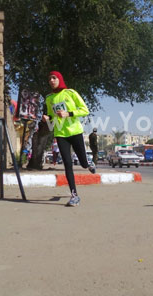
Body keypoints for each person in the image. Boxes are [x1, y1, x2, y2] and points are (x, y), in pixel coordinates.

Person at [42, 71, 95, 207]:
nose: (52, 80)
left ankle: (88, 163)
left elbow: (85, 110)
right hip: (60, 134)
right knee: (67, 164)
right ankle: (74, 196)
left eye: (54, 78)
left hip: (75, 132)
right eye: (50, 79)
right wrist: (47, 119)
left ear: (60, 79)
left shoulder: (70, 93)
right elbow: (52, 120)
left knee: (82, 163)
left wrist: (69, 113)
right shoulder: (49, 98)